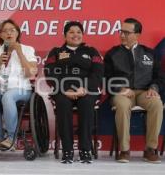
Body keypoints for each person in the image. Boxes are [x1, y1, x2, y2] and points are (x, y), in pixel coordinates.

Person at [104, 18, 164, 163]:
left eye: (127, 32)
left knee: (156, 103)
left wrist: (154, 88)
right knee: (123, 105)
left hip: (144, 92)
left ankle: (150, 149)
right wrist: (120, 88)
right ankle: (124, 150)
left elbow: (159, 76)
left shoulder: (149, 53)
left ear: (137, 35)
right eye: (121, 32)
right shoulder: (112, 54)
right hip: (123, 93)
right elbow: (106, 77)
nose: (122, 35)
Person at [44, 21, 104, 164]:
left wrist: (83, 88)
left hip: (87, 90)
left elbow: (98, 73)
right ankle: (67, 150)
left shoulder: (91, 51)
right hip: (63, 91)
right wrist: (65, 89)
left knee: (86, 103)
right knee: (63, 104)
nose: (75, 35)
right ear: (65, 35)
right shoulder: (56, 52)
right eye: (71, 32)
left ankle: (85, 150)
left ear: (82, 35)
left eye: (78, 32)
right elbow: (50, 72)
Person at [0, 19, 37, 149]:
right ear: (0, 35)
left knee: (8, 96)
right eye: (5, 31)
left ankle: (11, 137)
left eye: (12, 30)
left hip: (22, 89)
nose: (9, 33)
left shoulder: (28, 49)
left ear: (17, 32)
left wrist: (19, 52)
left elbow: (31, 74)